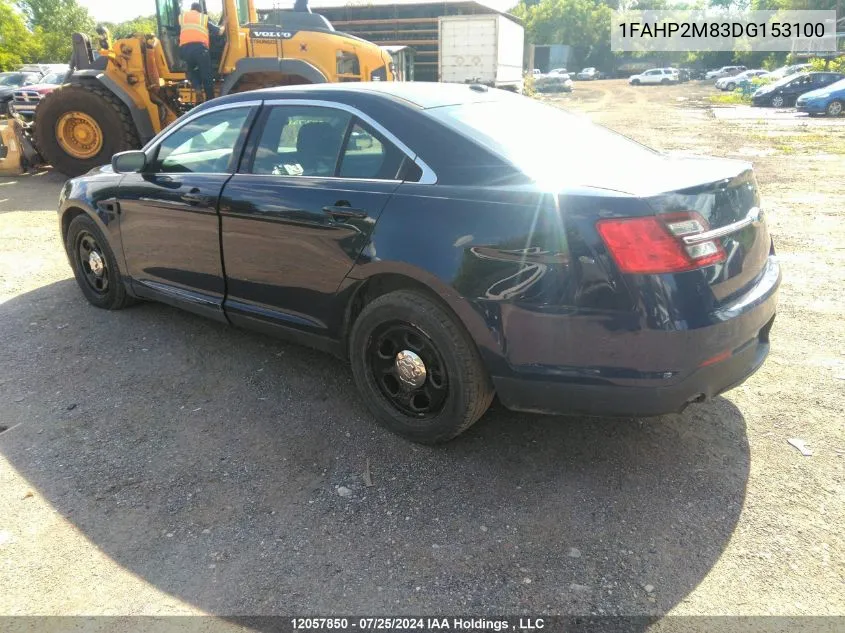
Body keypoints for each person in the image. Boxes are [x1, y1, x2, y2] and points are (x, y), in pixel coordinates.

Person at [178, 2, 223, 103]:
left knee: (191, 70)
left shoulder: (182, 17)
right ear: (200, 10)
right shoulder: (203, 18)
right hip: (199, 49)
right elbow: (219, 32)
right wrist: (224, 25)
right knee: (206, 75)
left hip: (185, 50)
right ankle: (210, 100)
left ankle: (197, 89)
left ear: (191, 8)